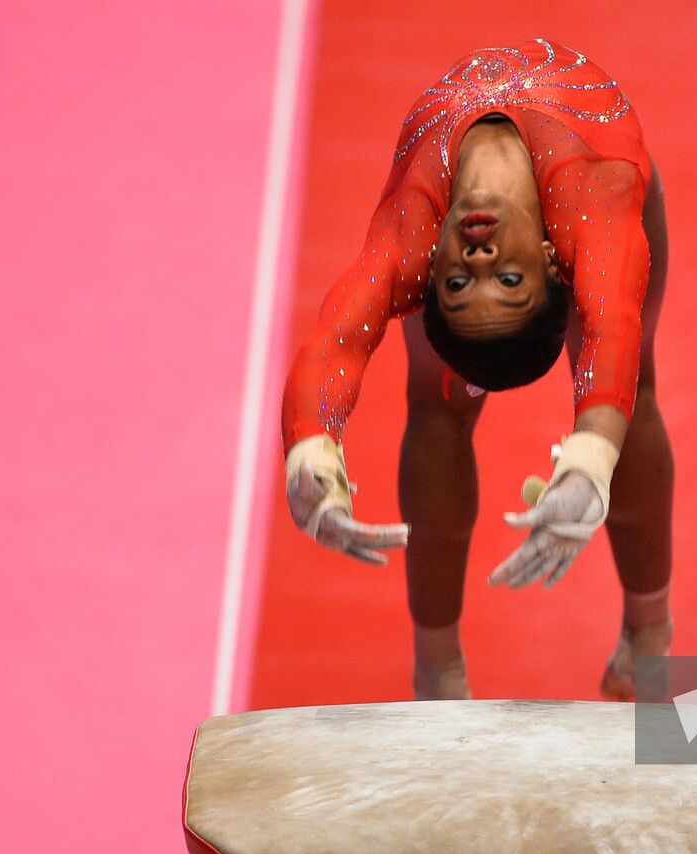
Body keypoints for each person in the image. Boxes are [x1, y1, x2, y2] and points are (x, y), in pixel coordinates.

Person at [282, 38, 672, 700]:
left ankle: (649, 635)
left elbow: (333, 342)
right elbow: (607, 328)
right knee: (446, 409)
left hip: (602, 195)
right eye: (506, 278)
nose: (479, 258)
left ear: (431, 269)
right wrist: (584, 462)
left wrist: (307, 456)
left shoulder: (414, 238)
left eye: (457, 282)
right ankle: (438, 670)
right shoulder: (594, 197)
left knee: (627, 391)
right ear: (552, 262)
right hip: (597, 173)